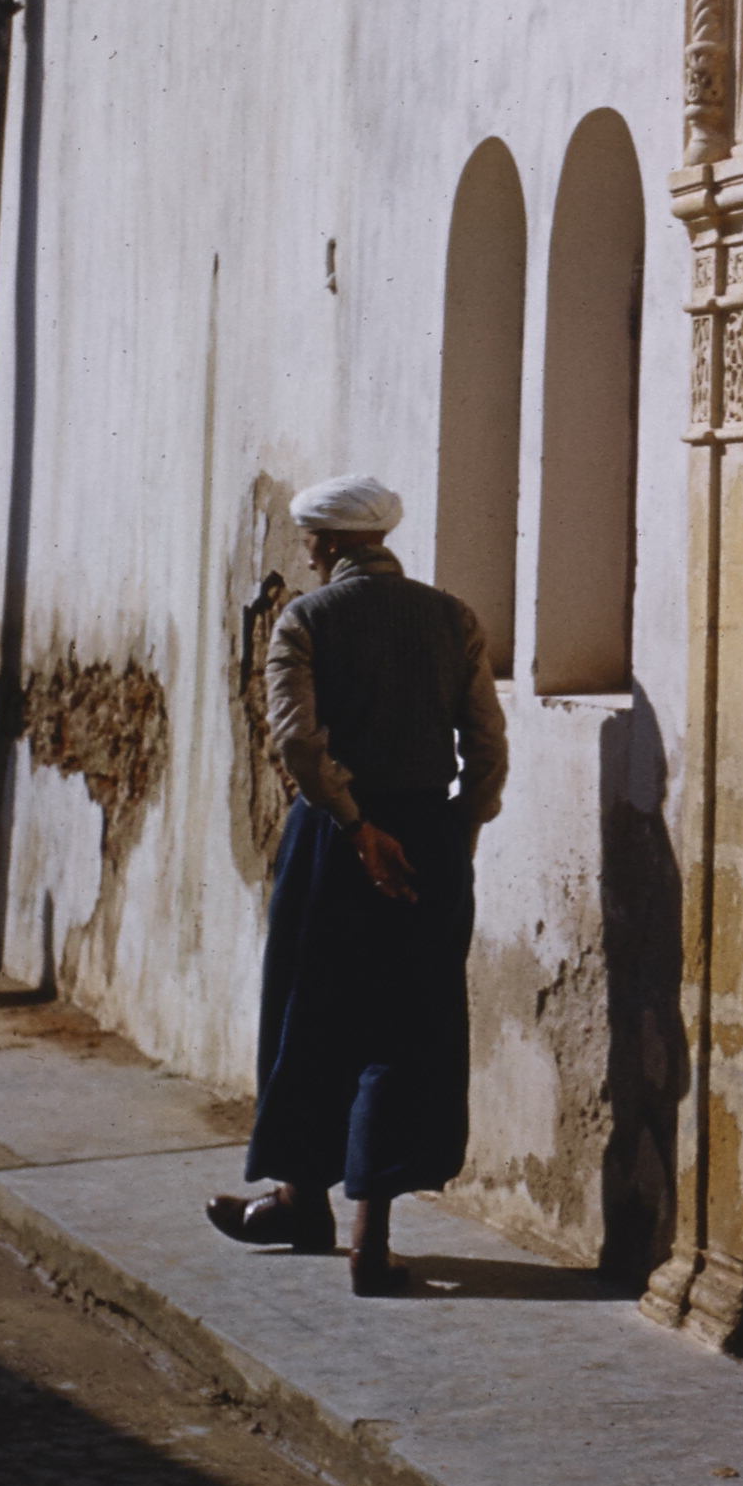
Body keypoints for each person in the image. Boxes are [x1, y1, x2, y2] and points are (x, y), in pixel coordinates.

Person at [204, 473, 507, 1294]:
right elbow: (486, 747)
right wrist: (454, 837)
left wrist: (355, 826)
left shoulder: (306, 619)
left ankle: (302, 1199)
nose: (307, 553)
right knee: (406, 1029)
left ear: (330, 543)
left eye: (310, 540)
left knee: (310, 1018)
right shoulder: (453, 618)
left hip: (333, 844)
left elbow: (299, 743)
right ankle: (364, 1238)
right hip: (429, 835)